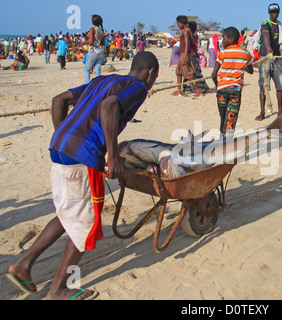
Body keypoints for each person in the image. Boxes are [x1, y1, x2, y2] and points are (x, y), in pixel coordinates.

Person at [5, 51, 159, 300]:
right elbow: (109, 106)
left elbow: (59, 100)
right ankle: (58, 290)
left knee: (68, 213)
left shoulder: (102, 80)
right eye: (153, 77)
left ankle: (22, 265)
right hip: (82, 156)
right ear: (150, 73)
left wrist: (66, 137)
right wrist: (111, 155)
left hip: (60, 148)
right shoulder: (138, 87)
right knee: (87, 223)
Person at [212, 27, 254, 137]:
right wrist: (240, 66)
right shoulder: (245, 53)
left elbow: (213, 75)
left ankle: (221, 139)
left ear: (230, 39)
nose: (222, 41)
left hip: (221, 90)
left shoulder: (223, 53)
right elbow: (251, 71)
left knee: (223, 117)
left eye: (223, 38)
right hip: (235, 89)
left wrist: (218, 86)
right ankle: (227, 143)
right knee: (230, 120)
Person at [255, 3, 282, 121]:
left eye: (277, 11)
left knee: (280, 85)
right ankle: (262, 112)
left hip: (276, 57)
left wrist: (274, 52)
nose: (275, 14)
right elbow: (266, 37)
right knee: (264, 86)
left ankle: (280, 112)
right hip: (265, 57)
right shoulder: (265, 24)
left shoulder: (279, 24)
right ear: (269, 13)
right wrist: (268, 49)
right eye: (273, 12)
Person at [172, 15, 203, 97]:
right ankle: (179, 90)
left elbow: (187, 45)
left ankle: (198, 89)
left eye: (178, 24)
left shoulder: (185, 32)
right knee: (178, 73)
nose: (178, 25)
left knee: (187, 74)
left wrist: (185, 57)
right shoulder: (186, 31)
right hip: (183, 54)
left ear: (181, 23)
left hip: (184, 54)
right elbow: (192, 41)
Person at [83, 14, 105, 84]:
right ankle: (99, 84)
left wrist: (85, 42)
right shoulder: (101, 30)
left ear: (92, 22)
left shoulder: (92, 29)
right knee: (97, 70)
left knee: (87, 69)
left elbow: (91, 42)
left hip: (93, 51)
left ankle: (87, 85)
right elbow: (102, 43)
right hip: (99, 51)